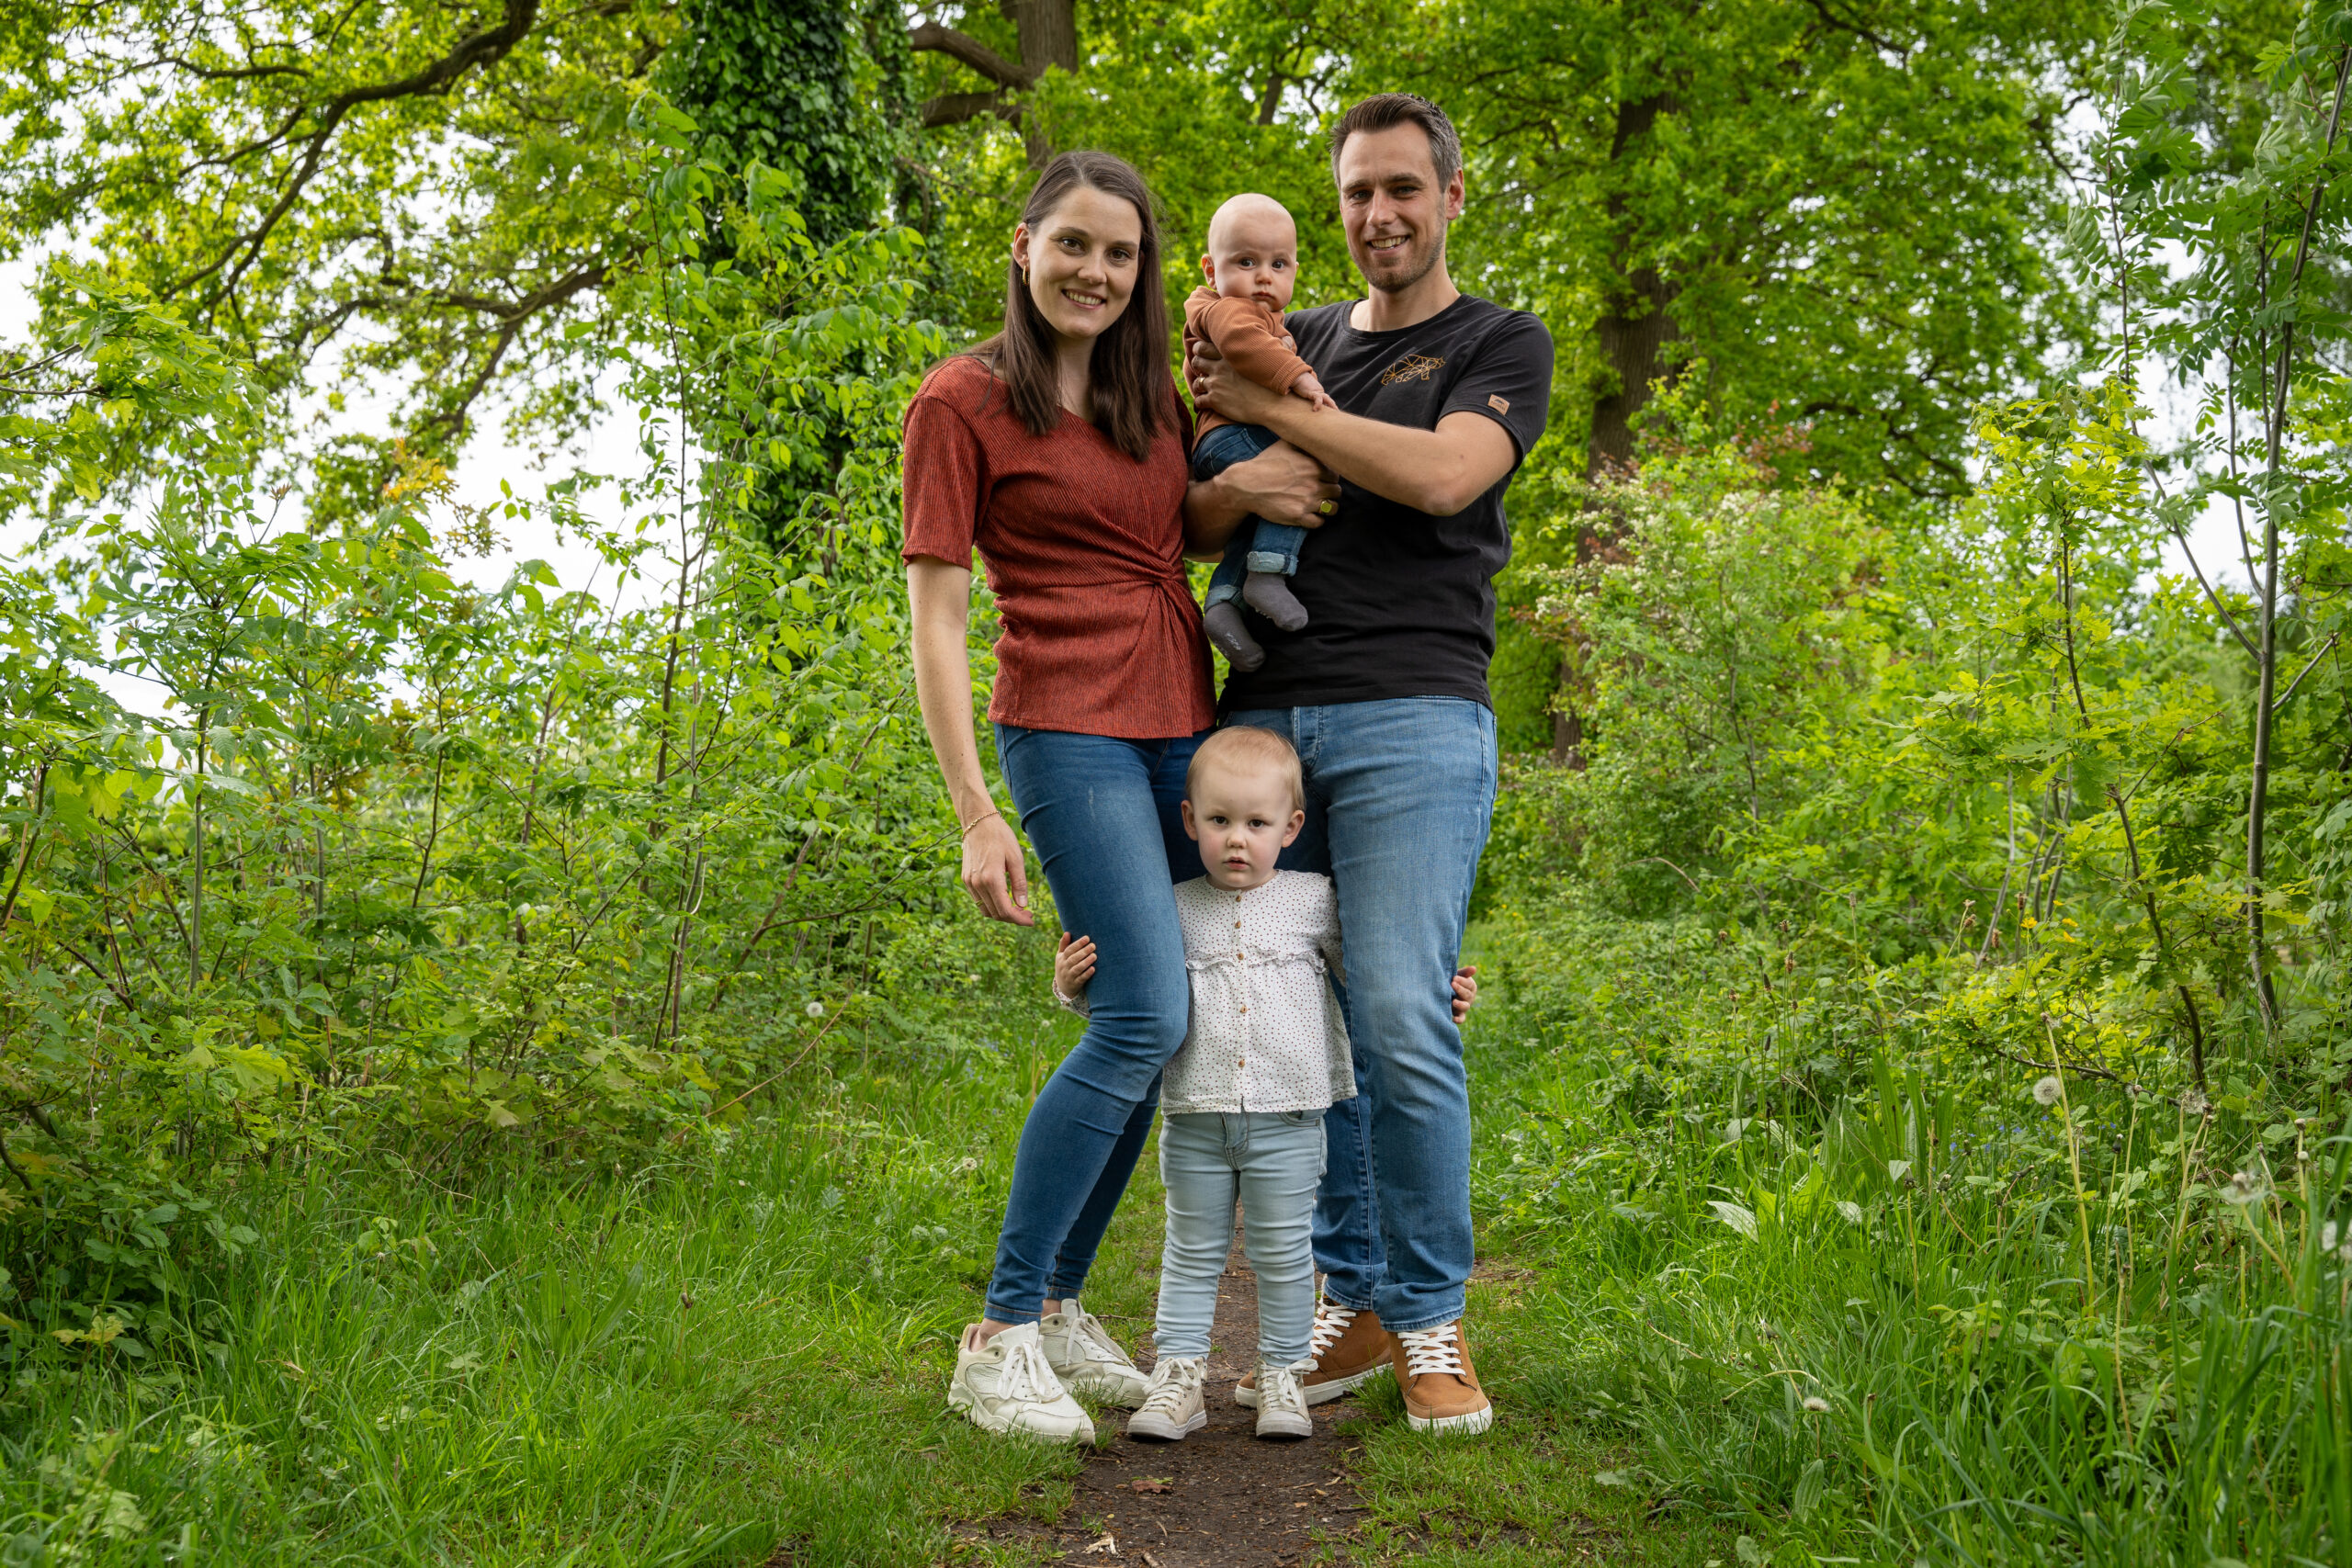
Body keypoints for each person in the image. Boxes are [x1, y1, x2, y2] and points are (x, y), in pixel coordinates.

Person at [1185, 92, 1555, 1436]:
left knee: (1398, 1008)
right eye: (1356, 194)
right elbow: (1199, 505)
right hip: (1266, 716)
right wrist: (1243, 474)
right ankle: (1360, 1294)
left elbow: (1448, 477)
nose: (1378, 215)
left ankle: (1434, 1306)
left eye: (1404, 187)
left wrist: (1288, 422)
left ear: (1452, 196)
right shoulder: (1301, 334)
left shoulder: (1499, 340)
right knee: (1299, 1016)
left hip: (1415, 712)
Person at [903, 150, 1275, 1443]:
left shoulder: (1149, 401)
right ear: (1024, 245)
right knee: (1138, 1016)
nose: (1095, 272)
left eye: (1119, 255)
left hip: (1184, 717)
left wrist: (1255, 491)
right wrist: (974, 809)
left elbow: (1187, 528)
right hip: (1062, 725)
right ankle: (998, 1329)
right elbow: (940, 621)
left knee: (1158, 1021)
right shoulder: (962, 401)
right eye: (1073, 245)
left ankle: (1061, 1302)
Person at [1051, 726, 1479, 1445]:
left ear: (1292, 827)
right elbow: (1133, 1000)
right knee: (1190, 1248)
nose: (1238, 840)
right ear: (1190, 823)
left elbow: (1375, 977)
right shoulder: (1173, 905)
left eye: (1257, 823)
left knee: (1282, 1253)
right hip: (1195, 1117)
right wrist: (1072, 990)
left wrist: (1441, 998)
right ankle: (1180, 1376)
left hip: (1289, 1118)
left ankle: (1284, 1373)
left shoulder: (1317, 899)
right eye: (1219, 822)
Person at [1183, 193, 1337, 672]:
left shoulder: (1262, 313)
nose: (1264, 276)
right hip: (1229, 438)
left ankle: (1224, 603)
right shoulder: (1228, 310)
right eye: (1246, 261)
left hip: (1222, 443)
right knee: (1313, 463)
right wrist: (1301, 378)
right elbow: (1243, 345)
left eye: (1278, 263)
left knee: (1253, 518)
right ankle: (1269, 574)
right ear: (1212, 270)